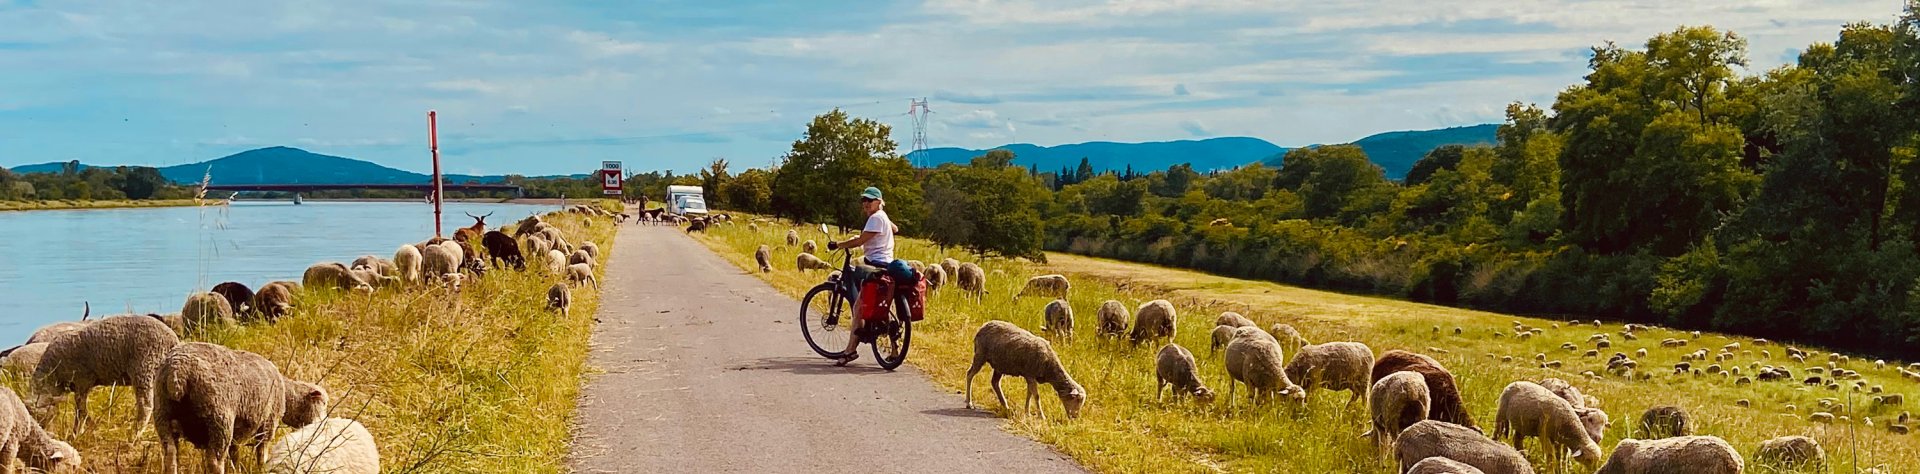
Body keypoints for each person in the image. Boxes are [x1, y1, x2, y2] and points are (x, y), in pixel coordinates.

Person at [826, 186, 896, 365]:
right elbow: (895, 229)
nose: (865, 204)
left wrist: (839, 244)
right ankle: (895, 349)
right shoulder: (883, 217)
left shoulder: (875, 218)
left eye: (869, 200)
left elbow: (860, 241)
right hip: (887, 265)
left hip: (874, 266)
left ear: (878, 202)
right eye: (863, 200)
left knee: (859, 307)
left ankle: (850, 350)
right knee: (883, 306)